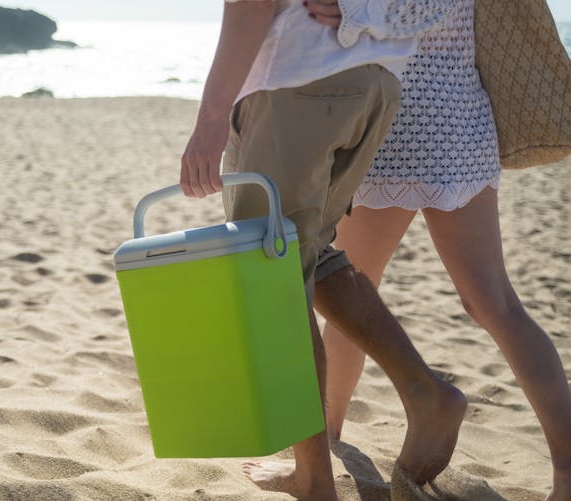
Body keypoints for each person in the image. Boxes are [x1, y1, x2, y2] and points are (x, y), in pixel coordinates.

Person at [180, 1, 468, 498]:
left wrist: (209, 120)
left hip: (297, 80)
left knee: (268, 275)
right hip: (376, 82)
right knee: (305, 252)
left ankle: (314, 475)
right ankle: (424, 393)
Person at [302, 1, 571, 499]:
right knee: (492, 301)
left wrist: (354, 13)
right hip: (462, 119)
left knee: (351, 293)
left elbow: (417, 8)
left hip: (405, 124)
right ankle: (568, 466)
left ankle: (330, 436)